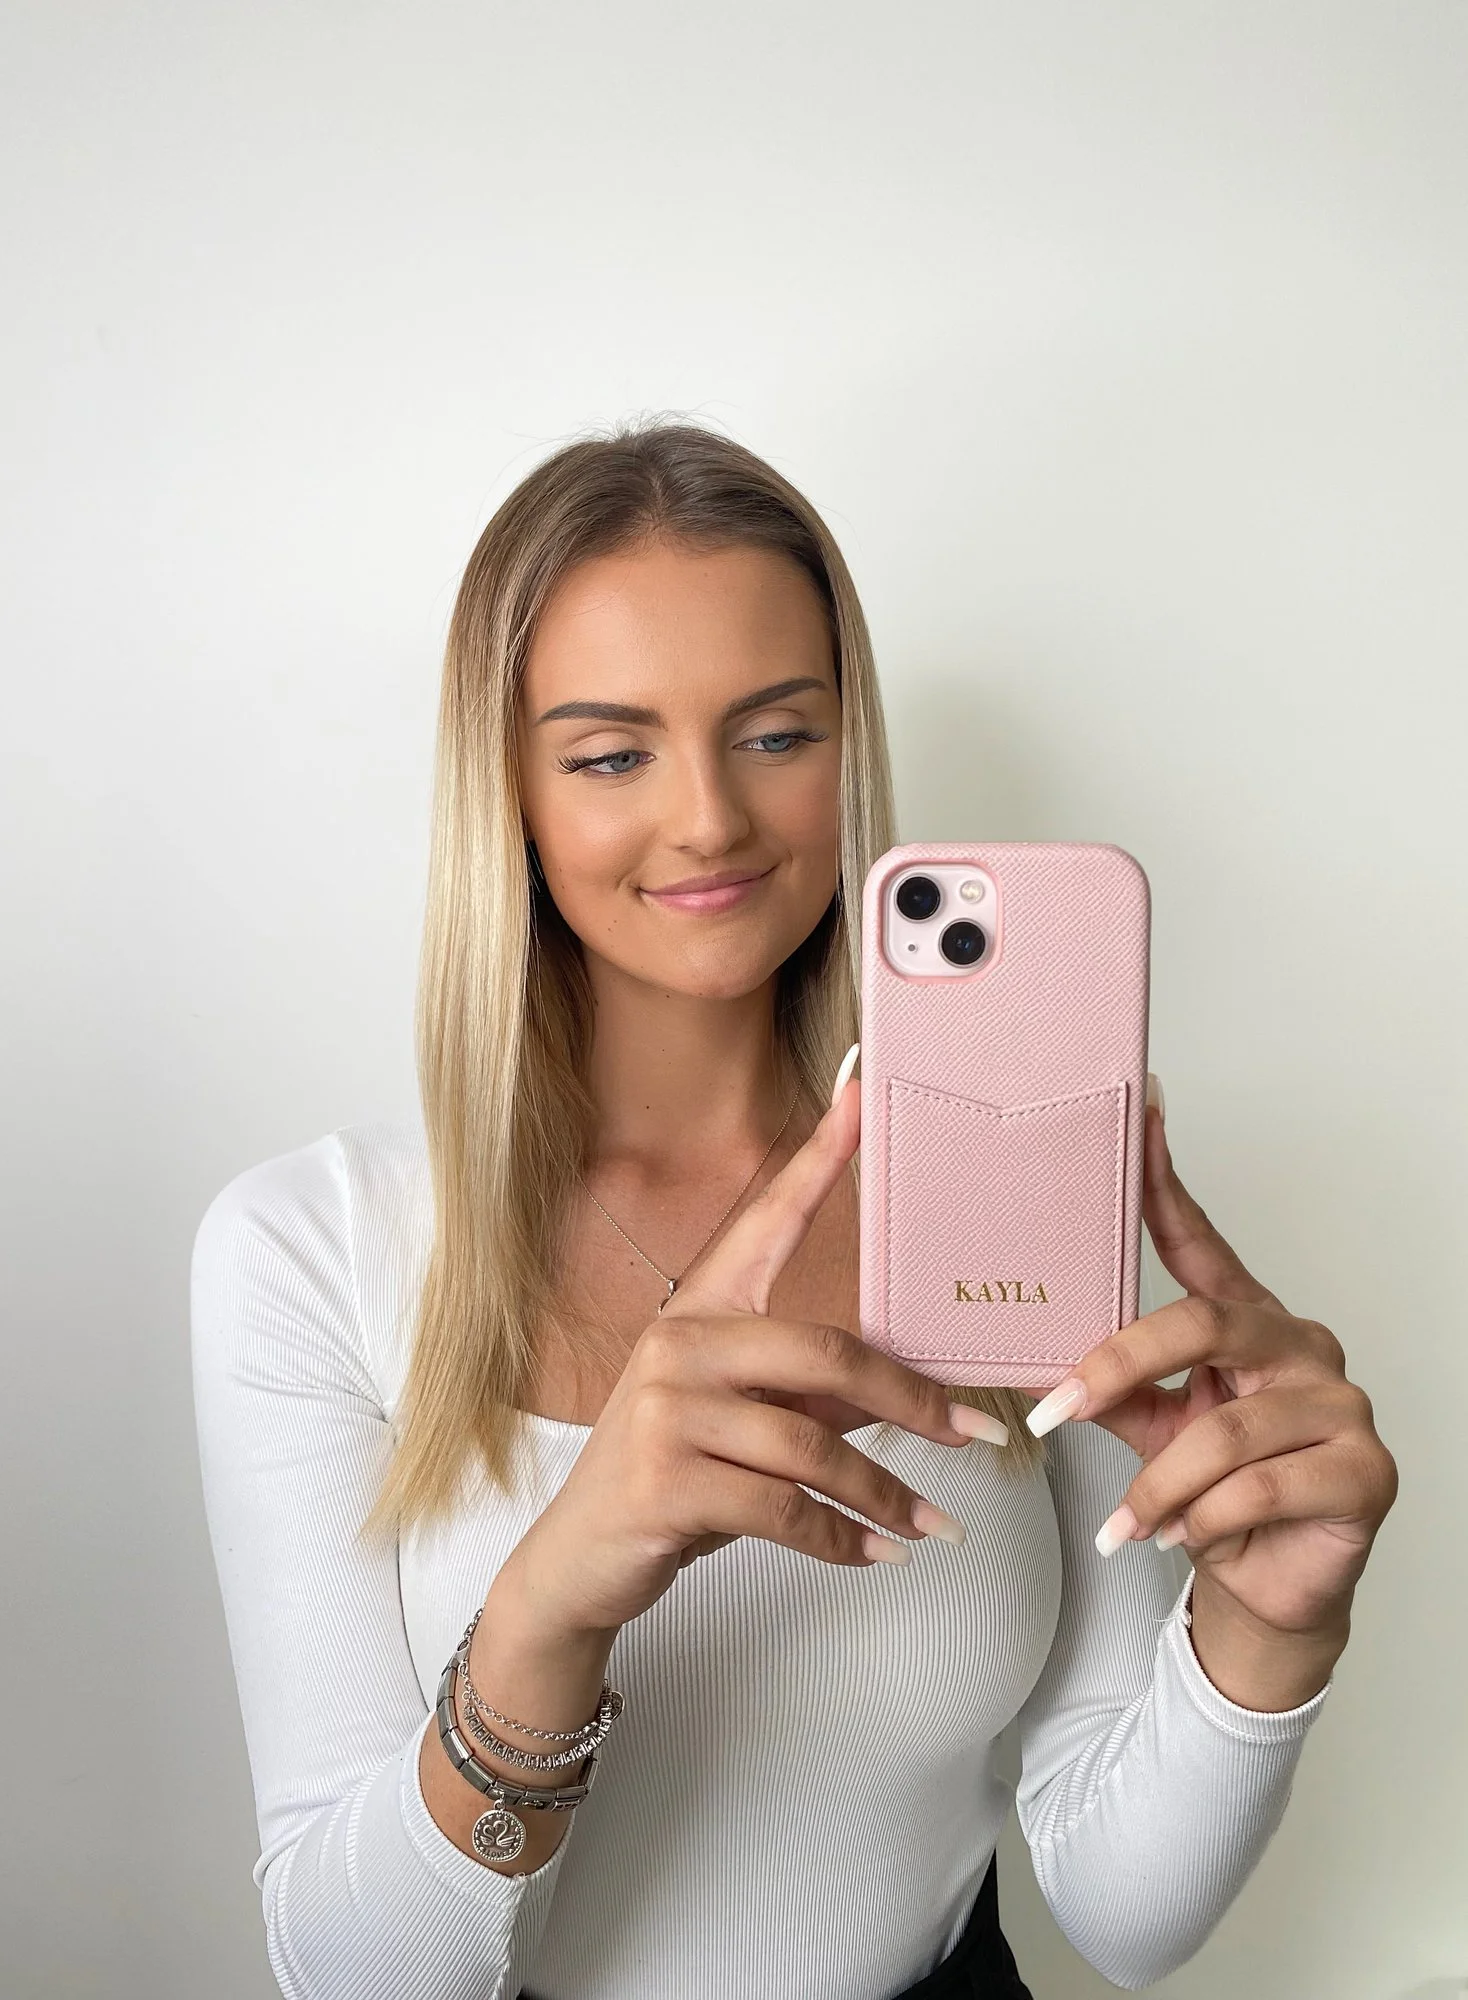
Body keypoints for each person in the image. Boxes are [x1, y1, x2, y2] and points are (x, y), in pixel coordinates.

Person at [191, 418, 1397, 2000]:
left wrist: (1270, 1631)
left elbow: (1122, 1912)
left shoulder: (1015, 1204)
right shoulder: (309, 1250)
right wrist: (551, 1599)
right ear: (511, 792)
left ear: (848, 745)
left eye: (774, 734)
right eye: (611, 754)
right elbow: (354, 1978)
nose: (709, 817)